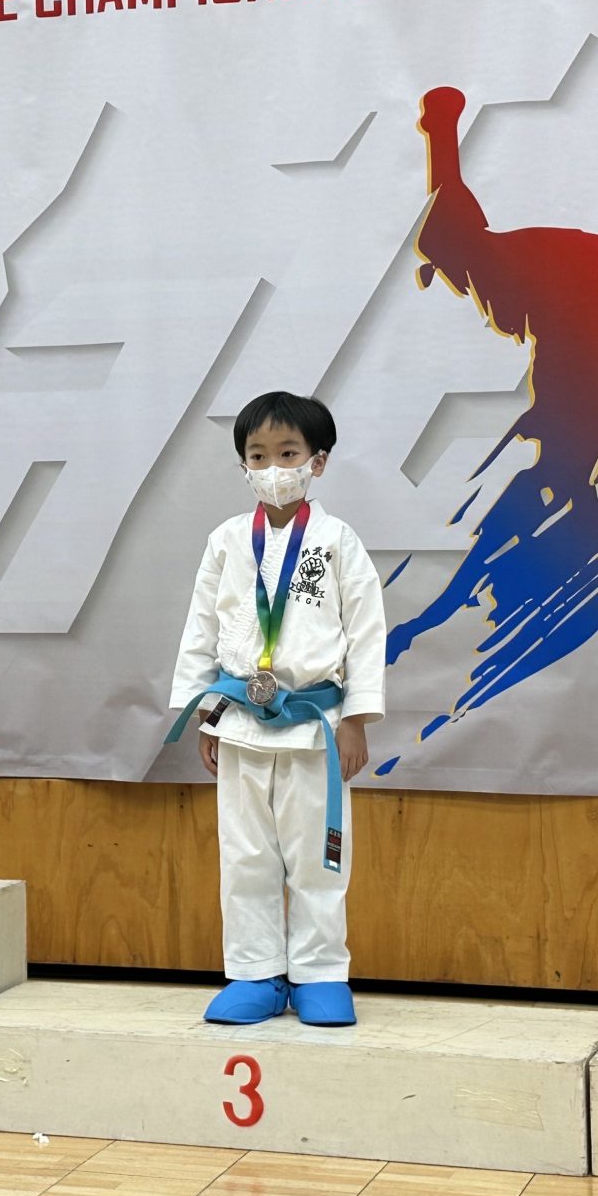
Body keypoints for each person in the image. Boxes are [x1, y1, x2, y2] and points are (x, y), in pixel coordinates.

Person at [167, 391, 387, 1026]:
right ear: (243, 464)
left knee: (318, 856)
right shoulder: (226, 542)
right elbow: (201, 631)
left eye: (287, 453)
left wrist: (356, 720)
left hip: (314, 724)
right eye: (258, 455)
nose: (273, 468)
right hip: (240, 720)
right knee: (245, 856)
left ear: (317, 461)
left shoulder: (338, 542)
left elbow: (367, 633)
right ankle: (255, 973)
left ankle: (321, 974)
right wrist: (206, 713)